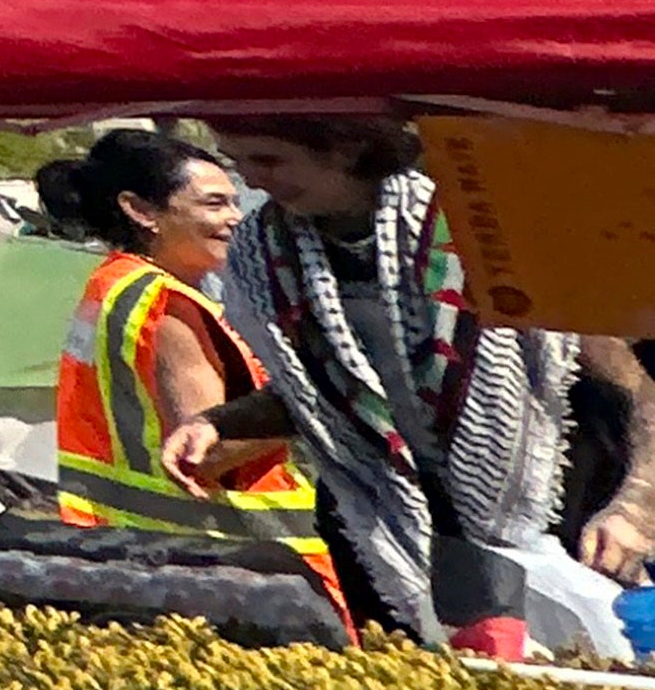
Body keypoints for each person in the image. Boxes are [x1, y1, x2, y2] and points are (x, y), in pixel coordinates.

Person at [213, 113, 655, 641]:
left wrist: (637, 507)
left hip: (552, 513)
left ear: (349, 145)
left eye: (268, 160)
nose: (254, 181)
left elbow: (635, 384)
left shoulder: (489, 231)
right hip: (384, 527)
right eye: (237, 162)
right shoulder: (268, 256)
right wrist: (220, 422)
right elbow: (334, 396)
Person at [40, 127, 343, 609]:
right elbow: (202, 454)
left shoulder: (113, 285)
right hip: (241, 561)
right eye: (213, 204)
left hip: (138, 549)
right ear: (141, 211)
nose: (234, 218)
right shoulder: (170, 308)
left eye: (233, 202)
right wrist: (323, 410)